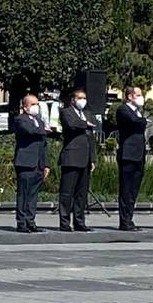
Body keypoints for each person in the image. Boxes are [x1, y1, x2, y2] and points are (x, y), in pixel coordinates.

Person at [58, 90, 95, 232]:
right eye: (80, 98)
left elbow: (91, 137)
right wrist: (85, 123)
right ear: (73, 99)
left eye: (84, 98)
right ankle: (64, 222)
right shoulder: (66, 112)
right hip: (71, 157)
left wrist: (93, 158)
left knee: (81, 192)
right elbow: (72, 124)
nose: (82, 100)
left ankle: (80, 221)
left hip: (85, 158)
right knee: (67, 192)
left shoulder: (87, 113)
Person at [11, 94, 48, 233]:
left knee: (33, 194)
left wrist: (46, 164)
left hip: (38, 163)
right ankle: (21, 222)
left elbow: (44, 144)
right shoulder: (21, 119)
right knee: (24, 193)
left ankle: (30, 220)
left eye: (37, 104)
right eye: (33, 104)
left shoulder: (40, 121)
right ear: (25, 107)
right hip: (25, 162)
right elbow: (29, 130)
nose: (36, 107)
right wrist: (43, 130)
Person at [115, 86, 147, 231]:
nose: (141, 97)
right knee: (126, 189)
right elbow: (133, 121)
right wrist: (142, 121)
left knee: (134, 189)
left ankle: (129, 217)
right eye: (138, 95)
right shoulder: (123, 110)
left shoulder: (138, 112)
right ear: (129, 96)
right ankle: (124, 220)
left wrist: (142, 120)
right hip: (128, 154)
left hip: (139, 155)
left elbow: (140, 121)